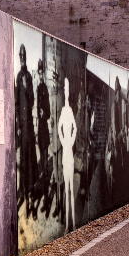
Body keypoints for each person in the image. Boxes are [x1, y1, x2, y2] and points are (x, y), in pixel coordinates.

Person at [14, 45, 37, 215]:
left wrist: (26, 86)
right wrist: (17, 126)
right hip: (21, 126)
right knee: (21, 160)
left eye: (24, 57)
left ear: (26, 58)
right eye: (20, 57)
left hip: (29, 125)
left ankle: (29, 195)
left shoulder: (28, 77)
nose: (22, 59)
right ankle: (22, 192)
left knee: (29, 159)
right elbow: (16, 102)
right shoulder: (18, 76)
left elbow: (31, 100)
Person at [57, 78, 77, 232]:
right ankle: (68, 225)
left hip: (69, 149)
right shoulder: (64, 111)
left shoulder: (69, 111)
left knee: (71, 189)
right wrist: (64, 142)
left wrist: (70, 141)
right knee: (66, 188)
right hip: (66, 151)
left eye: (68, 89)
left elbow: (75, 128)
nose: (66, 92)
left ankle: (74, 223)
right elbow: (59, 128)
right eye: (65, 89)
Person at [35, 59, 51, 216]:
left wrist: (44, 114)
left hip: (45, 128)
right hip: (39, 129)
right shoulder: (38, 88)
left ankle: (47, 195)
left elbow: (49, 112)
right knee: (41, 159)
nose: (40, 76)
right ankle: (42, 187)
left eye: (42, 73)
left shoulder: (45, 88)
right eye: (39, 74)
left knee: (45, 160)